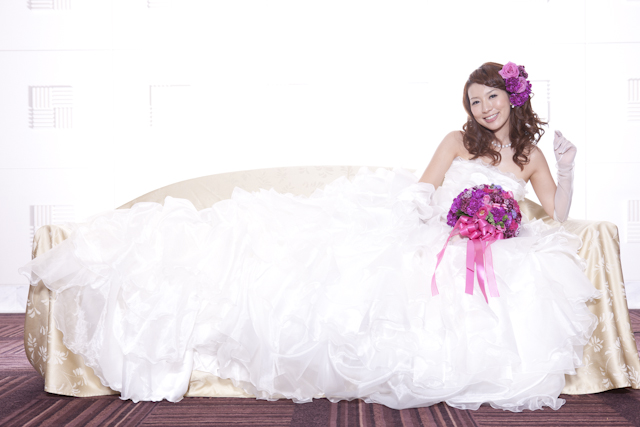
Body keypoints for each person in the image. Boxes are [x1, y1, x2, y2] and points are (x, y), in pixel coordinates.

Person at [19, 62, 599, 412]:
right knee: (351, 266)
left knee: (525, 279)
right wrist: (442, 220)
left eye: (492, 96)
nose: (484, 107)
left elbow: (556, 211)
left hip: (495, 246)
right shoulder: (456, 141)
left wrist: (567, 168)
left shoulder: (529, 154)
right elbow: (423, 190)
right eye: (475, 100)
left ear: (511, 97)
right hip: (438, 230)